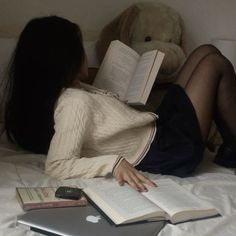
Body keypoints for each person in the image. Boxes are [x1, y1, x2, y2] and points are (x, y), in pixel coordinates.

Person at [2, 16, 236, 192]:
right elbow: (57, 165)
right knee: (214, 63)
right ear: (65, 59)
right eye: (80, 48)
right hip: (170, 149)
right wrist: (113, 164)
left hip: (157, 128)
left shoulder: (67, 89)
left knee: (206, 51)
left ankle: (231, 147)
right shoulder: (74, 102)